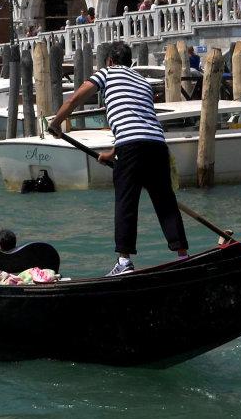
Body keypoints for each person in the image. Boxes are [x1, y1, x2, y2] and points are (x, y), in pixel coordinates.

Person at [48, 41, 188, 276]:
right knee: (165, 202)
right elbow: (140, 119)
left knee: (126, 202)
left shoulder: (107, 73)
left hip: (132, 147)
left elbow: (74, 100)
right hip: (156, 145)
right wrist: (112, 153)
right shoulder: (142, 82)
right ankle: (183, 255)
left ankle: (124, 262)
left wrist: (55, 123)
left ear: (110, 61)